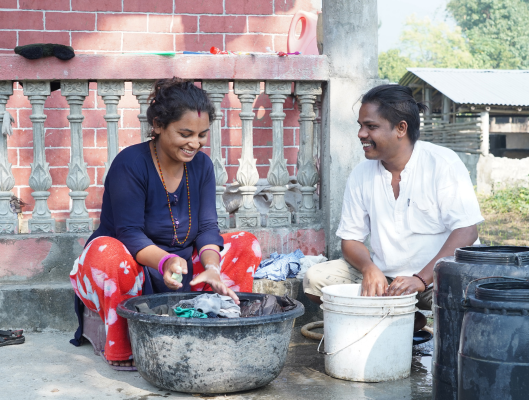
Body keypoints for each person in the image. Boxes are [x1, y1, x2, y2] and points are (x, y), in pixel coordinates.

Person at [69, 78, 262, 369]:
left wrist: (211, 268)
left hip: (183, 271)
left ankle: (218, 324)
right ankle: (123, 348)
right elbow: (129, 234)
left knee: (246, 243)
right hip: (131, 270)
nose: (194, 143)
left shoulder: (202, 166)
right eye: (185, 133)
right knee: (106, 252)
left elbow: (209, 227)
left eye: (201, 135)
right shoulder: (130, 164)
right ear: (158, 125)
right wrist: (166, 261)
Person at [303, 84, 483, 332]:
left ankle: (398, 319)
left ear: (401, 128)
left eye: (371, 126)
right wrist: (369, 269)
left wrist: (420, 279)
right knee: (316, 280)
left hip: (437, 279)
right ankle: (406, 321)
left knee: (470, 300)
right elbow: (351, 240)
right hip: (386, 282)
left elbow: (467, 231)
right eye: (360, 126)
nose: (361, 134)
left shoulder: (442, 163)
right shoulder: (361, 174)